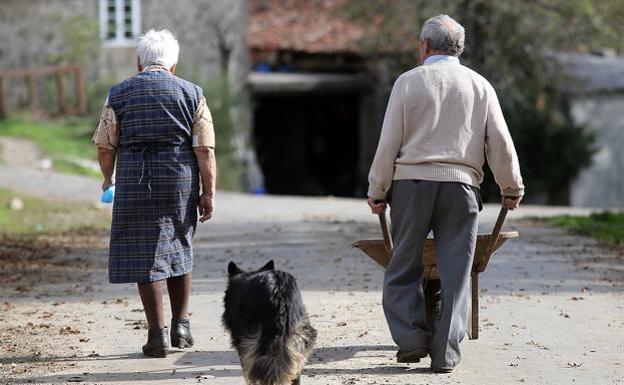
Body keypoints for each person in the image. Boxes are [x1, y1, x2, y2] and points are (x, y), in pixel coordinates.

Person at [367, 14, 524, 372]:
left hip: (410, 187)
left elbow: (388, 143)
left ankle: (411, 339)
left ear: (424, 46)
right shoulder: (480, 85)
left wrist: (378, 190)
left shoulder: (407, 83)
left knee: (402, 266)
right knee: (457, 273)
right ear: (459, 48)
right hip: (461, 189)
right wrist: (511, 187)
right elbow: (499, 142)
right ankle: (446, 354)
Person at [93, 29, 217, 358]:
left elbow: (105, 145)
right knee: (179, 246)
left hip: (135, 180)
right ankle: (181, 326)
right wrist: (209, 192)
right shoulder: (193, 94)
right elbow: (205, 149)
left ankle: (157, 335)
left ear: (138, 62)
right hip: (180, 181)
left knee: (142, 253)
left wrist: (109, 178)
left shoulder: (118, 94)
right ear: (173, 66)